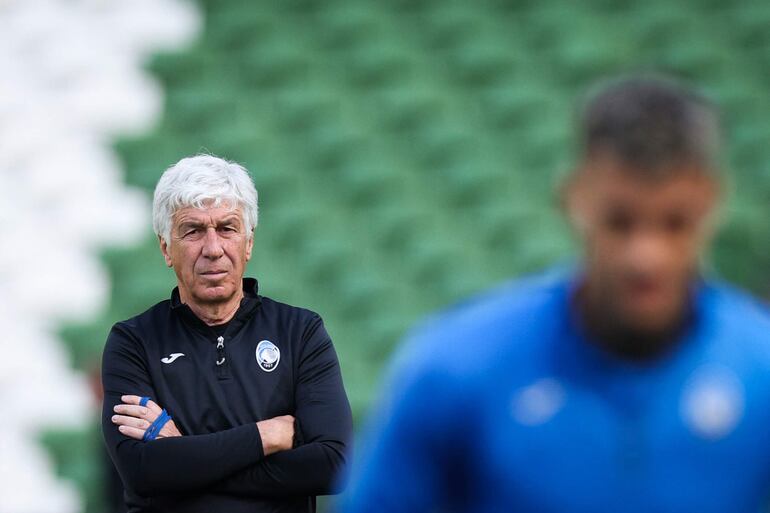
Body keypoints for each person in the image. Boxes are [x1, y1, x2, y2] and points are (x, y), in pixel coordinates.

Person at [341, 76, 770, 513]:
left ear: (713, 204)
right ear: (574, 198)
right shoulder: (455, 368)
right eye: (620, 221)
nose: (646, 257)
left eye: (675, 223)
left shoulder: (760, 370)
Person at [101, 154, 352, 513]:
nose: (213, 249)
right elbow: (142, 471)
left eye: (227, 228)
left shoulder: (300, 332)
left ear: (248, 242)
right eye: (193, 231)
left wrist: (184, 460)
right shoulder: (133, 342)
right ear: (165, 248)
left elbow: (333, 465)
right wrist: (266, 437)